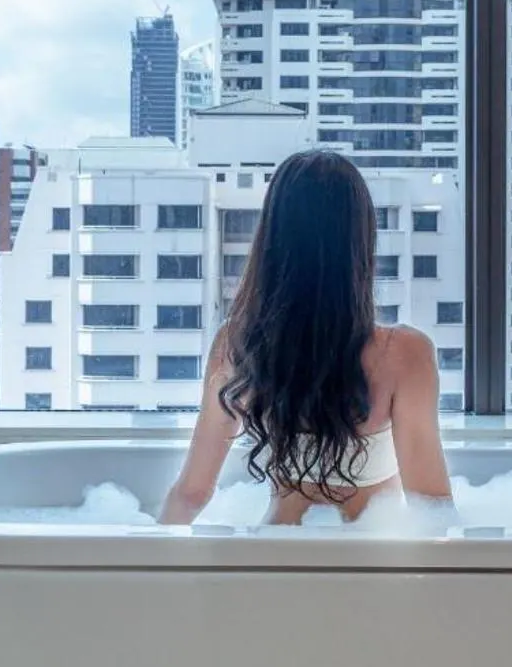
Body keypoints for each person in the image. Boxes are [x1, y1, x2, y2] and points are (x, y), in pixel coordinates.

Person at [161, 148, 451, 525]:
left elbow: (191, 494)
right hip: (367, 555)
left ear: (272, 239)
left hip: (274, 552)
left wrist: (147, 558)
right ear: (361, 240)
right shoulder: (405, 354)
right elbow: (432, 509)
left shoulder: (239, 343)